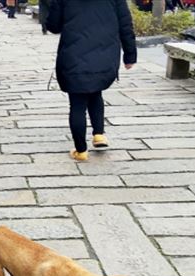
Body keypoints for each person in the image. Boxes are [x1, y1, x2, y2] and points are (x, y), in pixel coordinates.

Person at [46, 0, 136, 161]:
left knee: (77, 102)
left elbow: (53, 26)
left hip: (73, 55)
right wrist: (130, 55)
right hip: (105, 55)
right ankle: (99, 134)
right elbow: (125, 25)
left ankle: (81, 151)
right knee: (95, 92)